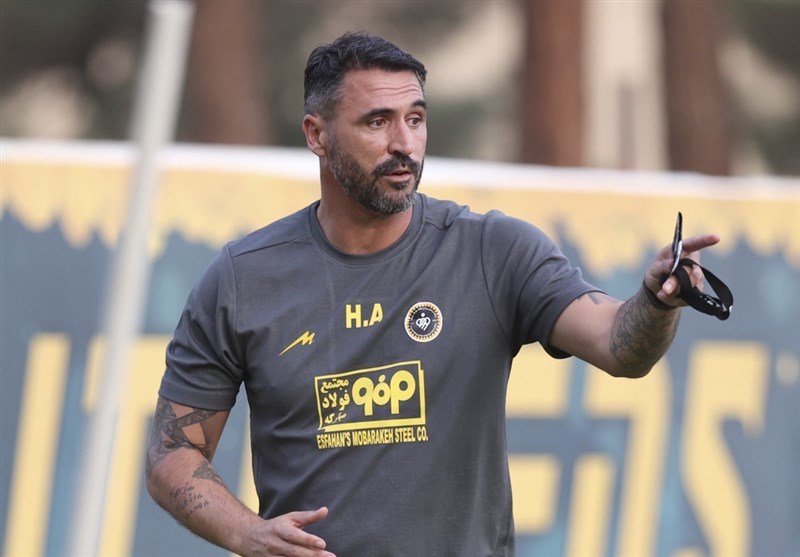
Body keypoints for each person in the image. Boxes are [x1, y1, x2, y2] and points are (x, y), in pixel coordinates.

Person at [146, 32, 719, 557]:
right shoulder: (243, 278)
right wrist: (247, 533)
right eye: (377, 122)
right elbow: (172, 451)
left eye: (415, 119)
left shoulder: (495, 250)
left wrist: (657, 302)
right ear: (317, 134)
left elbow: (619, 346)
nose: (404, 144)